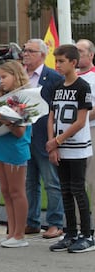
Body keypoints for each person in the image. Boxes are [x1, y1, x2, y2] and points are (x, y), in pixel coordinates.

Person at [47, 44, 94, 253]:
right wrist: (52, 144)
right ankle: (71, 232)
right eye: (56, 61)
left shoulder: (83, 87)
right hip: (60, 145)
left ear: (73, 63)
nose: (57, 65)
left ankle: (87, 234)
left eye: (61, 61)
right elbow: (51, 116)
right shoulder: (57, 87)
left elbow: (81, 120)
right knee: (65, 190)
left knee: (77, 189)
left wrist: (58, 140)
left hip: (77, 146)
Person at [22, 39, 64, 238]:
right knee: (29, 183)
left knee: (51, 182)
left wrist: (54, 140)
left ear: (42, 54)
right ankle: (32, 221)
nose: (25, 53)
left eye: (30, 51)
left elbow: (56, 111)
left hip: (44, 137)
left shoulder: (53, 77)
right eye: (24, 50)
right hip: (23, 137)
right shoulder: (20, 76)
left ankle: (55, 223)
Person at [0, 61, 31, 248]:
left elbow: (20, 131)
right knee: (5, 191)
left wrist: (5, 120)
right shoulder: (2, 98)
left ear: (16, 76)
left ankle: (20, 234)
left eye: (4, 77)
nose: (1, 81)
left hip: (15, 147)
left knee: (16, 191)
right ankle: (11, 232)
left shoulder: (25, 99)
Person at [76, 39, 95, 236]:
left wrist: (77, 119)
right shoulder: (68, 78)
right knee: (75, 181)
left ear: (91, 55)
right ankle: (79, 225)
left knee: (92, 179)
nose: (77, 55)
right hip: (71, 133)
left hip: (90, 130)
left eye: (81, 51)